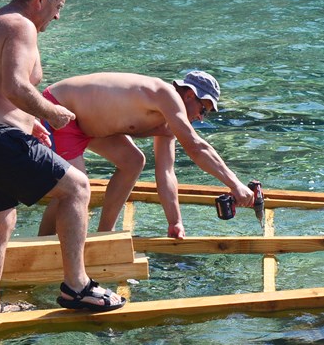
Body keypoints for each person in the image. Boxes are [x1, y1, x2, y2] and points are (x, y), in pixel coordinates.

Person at [0, 0, 125, 314]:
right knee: (77, 188)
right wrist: (51, 113)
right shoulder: (21, 25)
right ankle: (77, 286)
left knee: (0, 224)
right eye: (58, 6)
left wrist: (29, 124)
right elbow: (15, 86)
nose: (57, 16)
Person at [37, 71, 255, 239]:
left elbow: (166, 172)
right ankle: (42, 245)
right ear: (189, 95)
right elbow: (196, 147)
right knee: (76, 190)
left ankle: (104, 235)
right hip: (59, 112)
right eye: (203, 110)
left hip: (87, 125)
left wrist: (175, 222)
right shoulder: (165, 95)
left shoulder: (168, 120)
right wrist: (235, 184)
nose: (200, 118)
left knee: (133, 161)